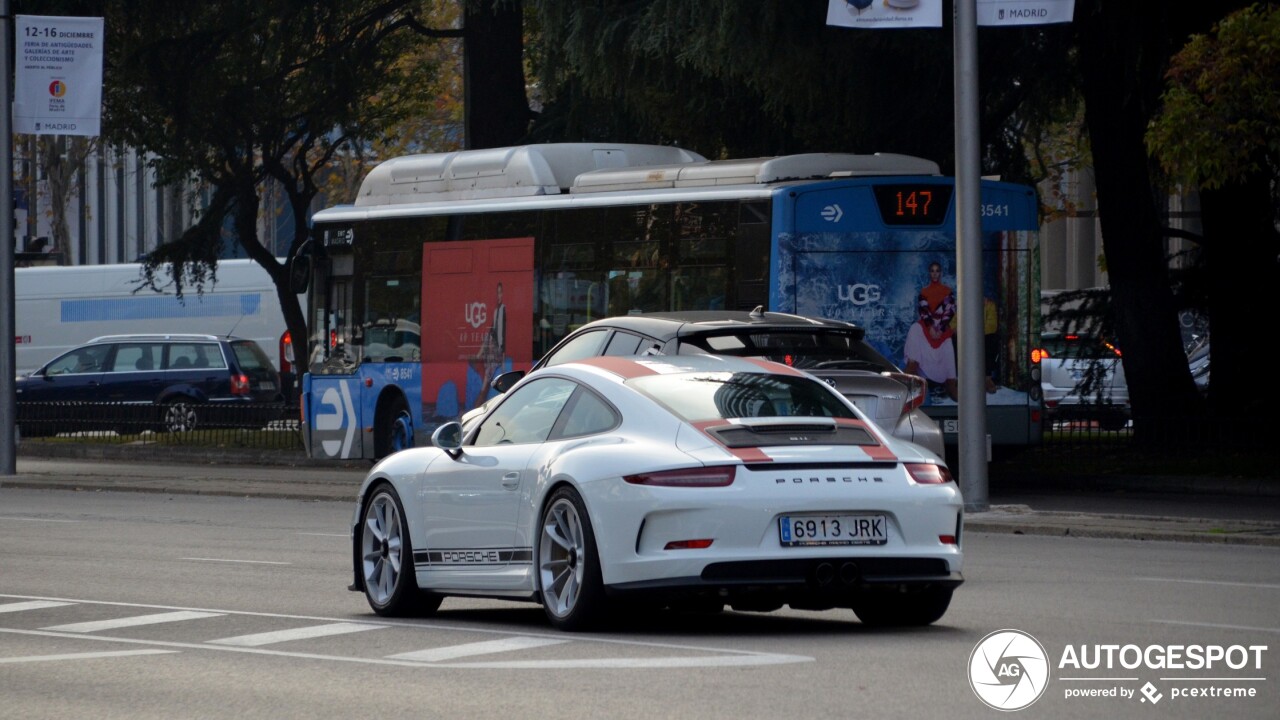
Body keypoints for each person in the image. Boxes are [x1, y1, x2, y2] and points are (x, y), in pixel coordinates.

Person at [904, 261, 958, 401]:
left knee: (947, 348)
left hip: (942, 328)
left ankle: (950, 384)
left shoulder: (947, 291)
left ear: (940, 273)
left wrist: (939, 328)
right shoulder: (924, 291)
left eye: (937, 271)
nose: (935, 273)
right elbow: (924, 310)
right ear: (929, 273)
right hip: (927, 327)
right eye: (932, 271)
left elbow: (950, 310)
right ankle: (910, 376)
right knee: (914, 330)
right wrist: (930, 327)